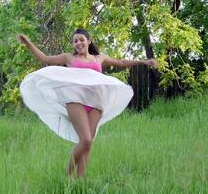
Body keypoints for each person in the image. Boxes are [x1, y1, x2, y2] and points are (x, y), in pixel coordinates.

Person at [18, 28, 158, 178]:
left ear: (89, 41)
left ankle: (80, 182)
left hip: (96, 103)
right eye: (75, 41)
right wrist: (28, 43)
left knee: (88, 144)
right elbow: (44, 58)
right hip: (75, 101)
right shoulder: (69, 58)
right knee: (85, 140)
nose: (78, 43)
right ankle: (67, 177)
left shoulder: (99, 58)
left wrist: (144, 61)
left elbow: (122, 62)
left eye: (81, 39)